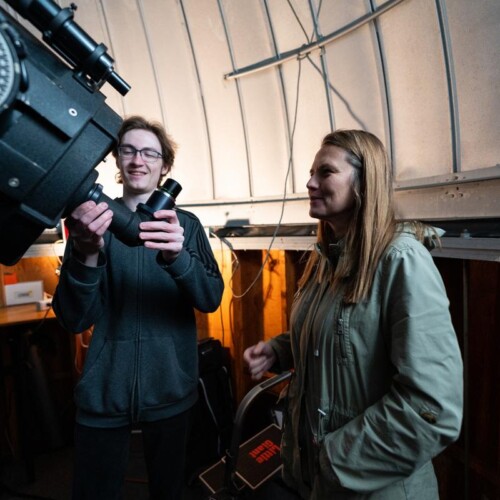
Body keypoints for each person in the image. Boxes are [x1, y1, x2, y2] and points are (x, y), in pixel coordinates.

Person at [244, 130, 463, 499]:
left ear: (364, 183)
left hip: (373, 487)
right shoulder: (325, 258)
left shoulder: (401, 261)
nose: (310, 183)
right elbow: (345, 333)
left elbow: (432, 407)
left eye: (325, 172)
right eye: (311, 172)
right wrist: (280, 349)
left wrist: (333, 458)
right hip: (322, 484)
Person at [53, 115, 224, 500]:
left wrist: (178, 256)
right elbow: (75, 317)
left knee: (170, 491)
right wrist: (86, 253)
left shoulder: (187, 226)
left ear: (165, 166)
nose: (137, 160)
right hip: (104, 391)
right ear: (116, 159)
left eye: (150, 153)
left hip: (170, 388)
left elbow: (210, 298)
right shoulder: (92, 222)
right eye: (128, 150)